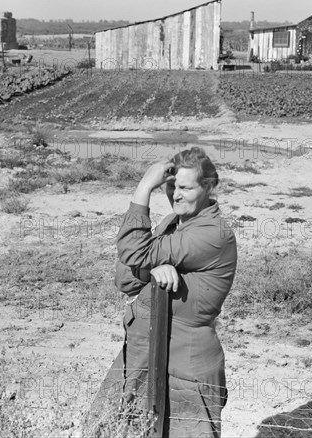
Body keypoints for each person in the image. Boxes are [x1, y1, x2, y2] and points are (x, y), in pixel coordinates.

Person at [86, 147, 237, 437]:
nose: (175, 194)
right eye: (170, 186)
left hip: (184, 364)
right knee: (113, 429)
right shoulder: (171, 223)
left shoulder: (212, 234)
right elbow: (123, 278)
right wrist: (152, 270)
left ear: (209, 187)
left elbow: (133, 252)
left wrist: (143, 187)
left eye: (185, 187)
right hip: (144, 353)